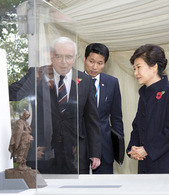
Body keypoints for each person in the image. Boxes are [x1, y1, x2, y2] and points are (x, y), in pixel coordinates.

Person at [9, 37, 102, 174]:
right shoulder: (38, 75)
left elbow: (92, 120)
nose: (64, 62)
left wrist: (95, 153)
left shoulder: (85, 80)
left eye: (69, 57)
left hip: (74, 155)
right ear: (51, 56)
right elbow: (12, 94)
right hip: (43, 154)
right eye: (58, 56)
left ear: (75, 57)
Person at [126, 44, 169, 173]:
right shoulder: (144, 94)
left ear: (154, 67)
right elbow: (138, 126)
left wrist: (147, 150)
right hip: (147, 163)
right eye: (134, 69)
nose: (135, 73)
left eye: (138, 68)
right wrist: (133, 148)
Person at [84, 43, 124, 174]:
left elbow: (116, 117)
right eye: (91, 61)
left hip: (104, 146)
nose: (95, 67)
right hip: (80, 146)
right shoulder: (74, 81)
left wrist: (119, 145)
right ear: (84, 59)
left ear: (105, 64)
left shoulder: (112, 83)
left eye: (100, 63)